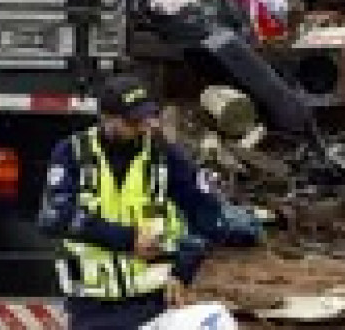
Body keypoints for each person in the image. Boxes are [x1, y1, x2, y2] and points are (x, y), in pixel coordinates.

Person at [37, 73, 233, 329]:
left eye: (148, 117)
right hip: (90, 305)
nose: (144, 126)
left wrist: (182, 272)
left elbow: (210, 218)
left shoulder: (164, 156)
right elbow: (53, 218)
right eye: (134, 120)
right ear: (107, 118)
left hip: (152, 304)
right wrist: (129, 239)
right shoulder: (72, 153)